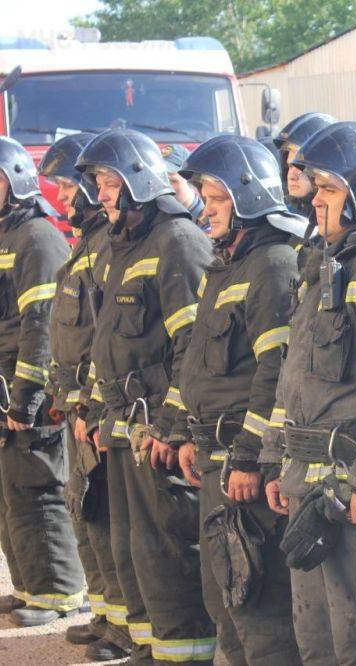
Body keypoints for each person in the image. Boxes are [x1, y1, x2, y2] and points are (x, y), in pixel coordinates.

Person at [260, 120, 356, 665]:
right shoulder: (327, 264)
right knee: (319, 645)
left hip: (354, 499)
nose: (316, 202)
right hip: (310, 489)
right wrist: (277, 460)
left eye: (329, 190)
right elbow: (293, 378)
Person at [75, 128, 215, 664]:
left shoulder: (177, 242)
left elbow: (192, 347)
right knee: (136, 542)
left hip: (155, 423)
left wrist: (171, 425)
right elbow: (105, 339)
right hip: (124, 420)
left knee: (168, 540)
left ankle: (186, 650)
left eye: (110, 182)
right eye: (100, 184)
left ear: (138, 180)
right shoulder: (121, 245)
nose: (102, 194)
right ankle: (154, 642)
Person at [174, 135, 304, 665]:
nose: (206, 212)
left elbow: (273, 375)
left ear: (249, 196)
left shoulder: (272, 264)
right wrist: (185, 429)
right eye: (204, 198)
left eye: (217, 199)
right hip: (212, 460)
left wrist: (249, 456)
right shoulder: (226, 265)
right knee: (223, 595)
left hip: (239, 463)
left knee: (258, 601)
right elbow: (197, 363)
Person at [41, 132, 130, 660]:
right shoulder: (87, 242)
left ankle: (122, 628)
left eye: (68, 187)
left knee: (104, 518)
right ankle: (105, 615)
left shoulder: (104, 246)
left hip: (94, 411)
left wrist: (92, 405)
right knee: (86, 513)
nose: (62, 198)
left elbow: (105, 338)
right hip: (78, 406)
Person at [0, 136, 84, 628]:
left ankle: (59, 594)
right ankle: (32, 586)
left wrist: (27, 396)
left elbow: (41, 324)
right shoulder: (7, 235)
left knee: (39, 488)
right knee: (13, 491)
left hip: (25, 388)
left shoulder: (36, 237)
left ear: (17, 179)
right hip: (5, 385)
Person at [274, 113, 336, 220]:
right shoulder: (282, 221)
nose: (291, 176)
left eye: (299, 167)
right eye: (289, 166)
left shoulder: (337, 225)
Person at [160, 144, 206, 230]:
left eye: (172, 181)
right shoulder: (158, 216)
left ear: (192, 182)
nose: (164, 186)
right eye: (160, 179)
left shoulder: (209, 223)